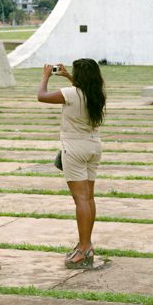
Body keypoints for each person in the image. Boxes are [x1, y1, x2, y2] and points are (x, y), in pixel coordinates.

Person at [37, 59, 106, 269]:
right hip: (93, 146)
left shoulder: (70, 94)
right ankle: (86, 244)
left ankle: (84, 248)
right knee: (89, 198)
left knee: (80, 200)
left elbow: (42, 96)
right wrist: (68, 76)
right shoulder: (97, 94)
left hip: (74, 149)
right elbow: (81, 88)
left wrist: (46, 76)